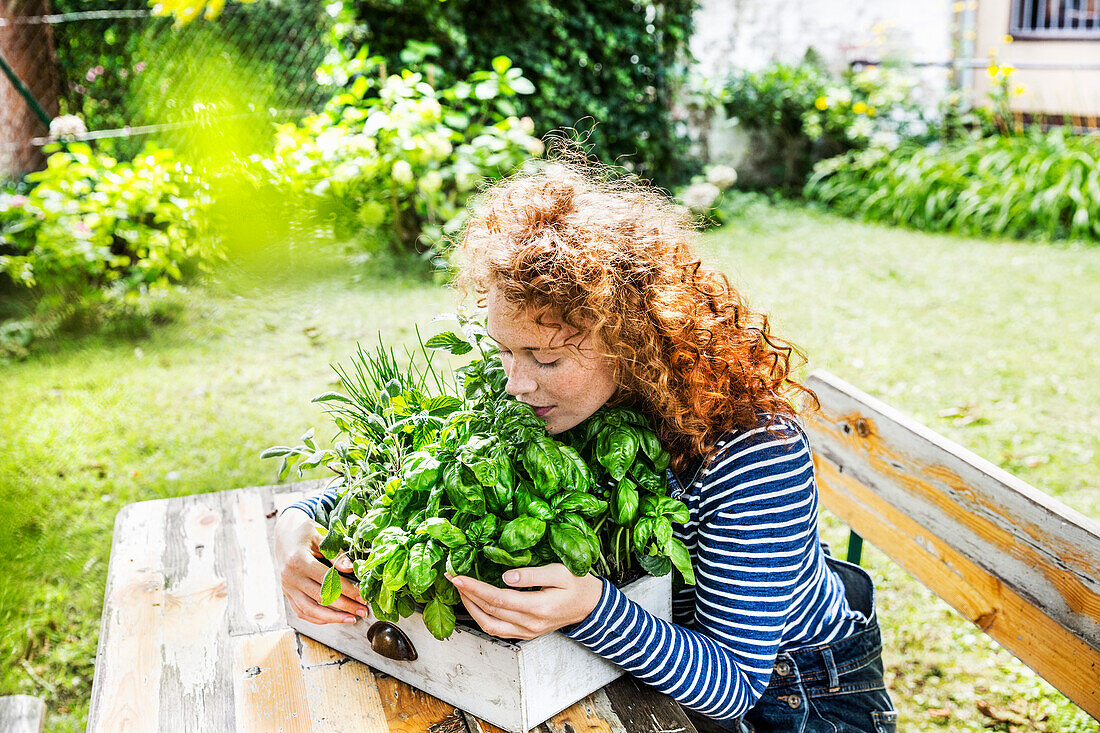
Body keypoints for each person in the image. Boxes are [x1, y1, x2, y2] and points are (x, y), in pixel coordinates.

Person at [273, 155, 897, 732]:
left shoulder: (749, 451)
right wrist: (302, 523)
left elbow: (734, 683)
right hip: (630, 677)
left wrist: (591, 608)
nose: (515, 382)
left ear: (632, 340)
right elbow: (418, 472)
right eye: (504, 350)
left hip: (798, 698)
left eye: (544, 357)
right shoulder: (540, 396)